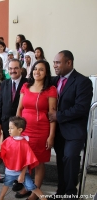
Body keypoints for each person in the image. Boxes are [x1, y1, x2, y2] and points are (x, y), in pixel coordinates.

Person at [48, 50, 93, 199]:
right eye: (54, 62)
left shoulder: (83, 81)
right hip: (58, 131)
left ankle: (70, 193)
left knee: (70, 157)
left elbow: (81, 108)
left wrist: (58, 115)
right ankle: (60, 192)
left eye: (58, 62)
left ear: (69, 62)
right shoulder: (55, 80)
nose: (55, 65)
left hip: (74, 131)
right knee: (61, 161)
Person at [16, 60, 57, 200]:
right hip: (25, 130)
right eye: (35, 69)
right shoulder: (25, 86)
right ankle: (27, 187)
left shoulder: (50, 89)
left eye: (41, 70)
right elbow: (20, 109)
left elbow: (52, 115)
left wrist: (51, 136)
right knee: (25, 162)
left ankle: (34, 193)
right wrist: (16, 129)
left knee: (38, 163)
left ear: (46, 73)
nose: (37, 72)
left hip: (41, 132)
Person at [0, 116, 47, 200]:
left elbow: (28, 160)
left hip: (22, 171)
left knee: (31, 186)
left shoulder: (24, 144)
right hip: (10, 170)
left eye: (11, 128)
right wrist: (0, 149)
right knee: (6, 184)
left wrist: (22, 174)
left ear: (20, 130)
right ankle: (1, 197)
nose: (9, 130)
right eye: (9, 128)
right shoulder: (8, 140)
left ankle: (44, 198)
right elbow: (5, 153)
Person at [0, 59, 28, 139]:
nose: (12, 71)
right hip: (6, 124)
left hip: (21, 124)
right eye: (10, 68)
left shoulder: (27, 83)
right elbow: (0, 104)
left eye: (16, 68)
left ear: (21, 69)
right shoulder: (4, 83)